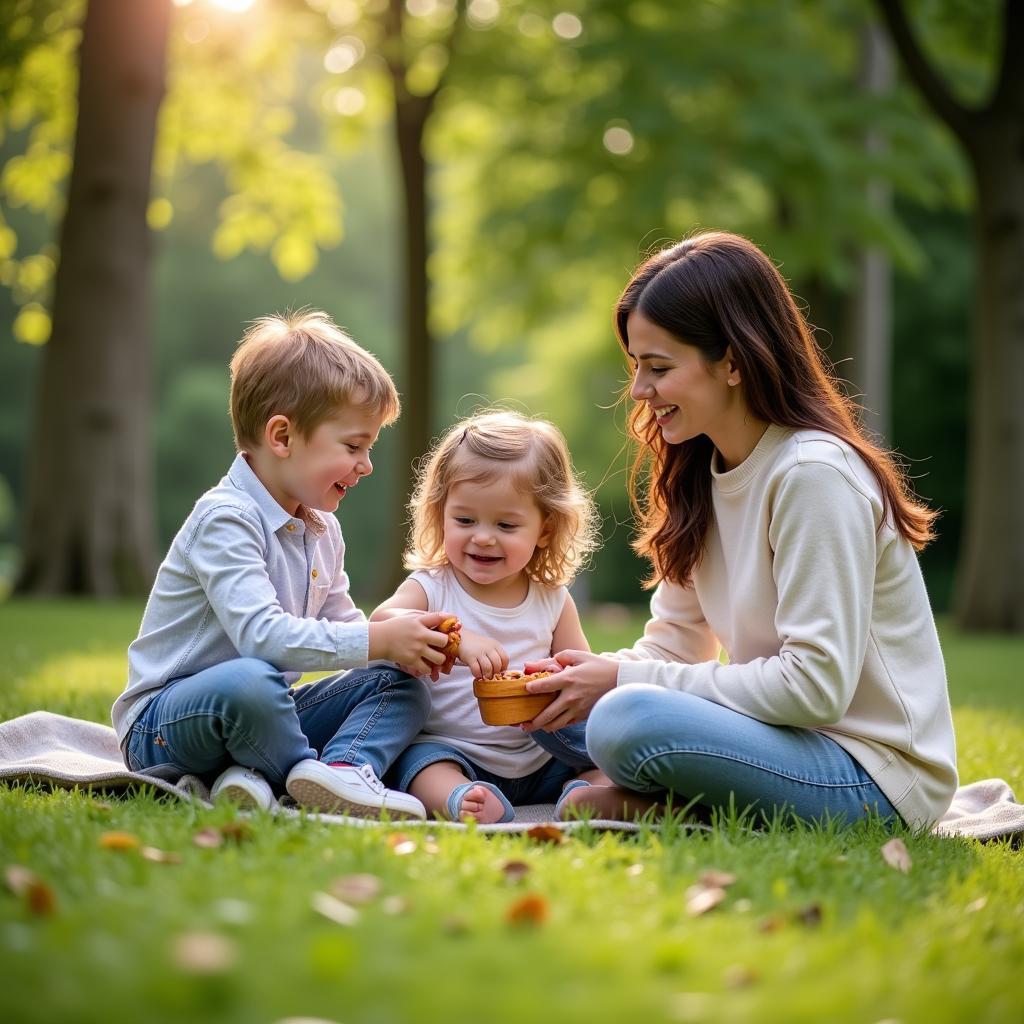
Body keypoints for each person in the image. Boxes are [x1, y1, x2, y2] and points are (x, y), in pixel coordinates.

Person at [521, 230, 958, 829]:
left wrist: (620, 681)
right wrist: (574, 677)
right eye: (636, 367)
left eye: (658, 367)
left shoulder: (812, 475)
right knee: (563, 704)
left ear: (731, 360)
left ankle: (655, 791)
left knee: (624, 718)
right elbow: (674, 645)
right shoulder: (701, 472)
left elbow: (815, 689)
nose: (639, 390)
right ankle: (661, 797)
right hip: (777, 743)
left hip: (869, 775)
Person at [111, 310, 452, 820]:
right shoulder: (226, 519)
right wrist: (378, 641)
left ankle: (336, 773)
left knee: (398, 683)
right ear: (282, 437)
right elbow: (262, 639)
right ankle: (294, 778)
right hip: (167, 723)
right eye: (354, 446)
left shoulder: (322, 529)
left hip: (268, 713)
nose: (367, 464)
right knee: (250, 680)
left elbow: (342, 628)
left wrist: (400, 645)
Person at [371, 409, 604, 823]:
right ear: (440, 513)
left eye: (506, 525)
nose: (482, 536)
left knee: (597, 745)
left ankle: (586, 791)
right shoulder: (433, 586)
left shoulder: (551, 599)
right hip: (454, 751)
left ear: (545, 530)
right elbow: (383, 623)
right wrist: (457, 641)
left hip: (539, 755)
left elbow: (579, 677)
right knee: (420, 765)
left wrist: (551, 678)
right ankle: (464, 798)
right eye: (464, 519)